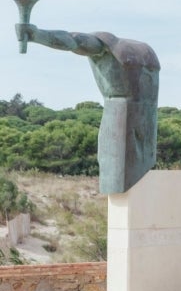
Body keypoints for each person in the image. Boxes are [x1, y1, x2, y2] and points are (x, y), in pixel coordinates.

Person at [15, 23, 160, 194]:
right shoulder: (138, 50)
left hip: (143, 118)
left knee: (134, 172)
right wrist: (39, 36)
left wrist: (38, 35)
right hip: (125, 116)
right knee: (120, 178)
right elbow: (72, 40)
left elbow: (73, 40)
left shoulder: (127, 48)